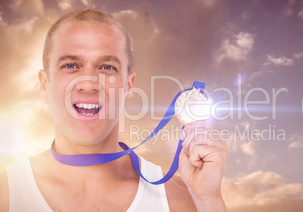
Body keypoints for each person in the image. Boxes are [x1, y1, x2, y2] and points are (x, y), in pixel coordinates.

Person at [0, 9, 229, 212]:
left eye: (107, 67)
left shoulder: (183, 200)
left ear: (128, 85)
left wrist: (210, 203)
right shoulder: (5, 194)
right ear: (44, 83)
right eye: (70, 65)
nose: (88, 83)